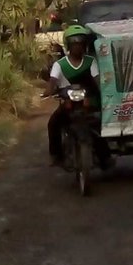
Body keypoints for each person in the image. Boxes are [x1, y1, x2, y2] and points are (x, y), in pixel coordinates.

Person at [46, 24, 102, 167]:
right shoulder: (60, 64)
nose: (78, 47)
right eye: (74, 43)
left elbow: (97, 79)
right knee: (53, 123)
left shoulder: (91, 61)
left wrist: (102, 88)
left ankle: (104, 156)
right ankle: (56, 155)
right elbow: (53, 80)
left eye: (81, 43)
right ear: (68, 46)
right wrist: (49, 90)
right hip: (68, 102)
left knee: (99, 125)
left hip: (88, 101)